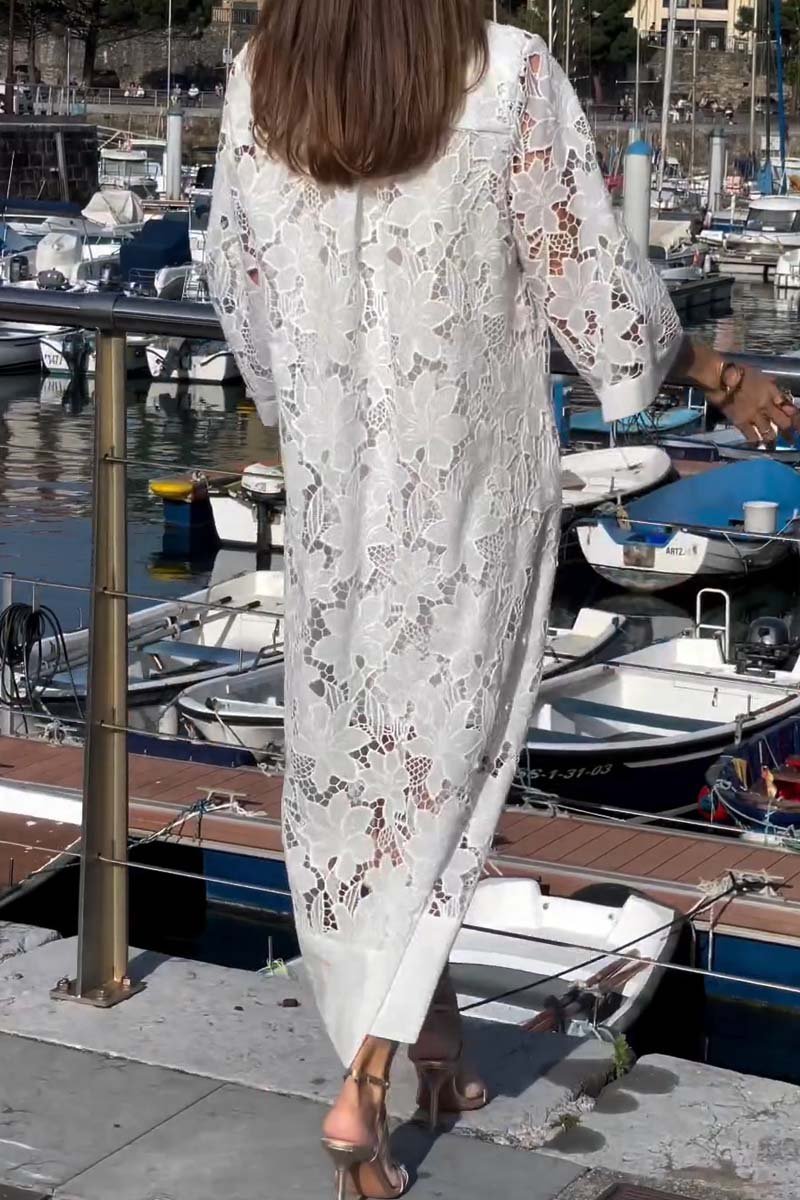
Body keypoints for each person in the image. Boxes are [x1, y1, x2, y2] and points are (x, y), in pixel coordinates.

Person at [207, 4, 800, 1196]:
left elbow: (237, 281)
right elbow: (591, 282)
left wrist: (302, 400)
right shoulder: (503, 70)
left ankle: (435, 1046)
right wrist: (714, 370)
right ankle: (365, 1080)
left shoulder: (263, 76)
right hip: (469, 497)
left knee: (355, 775)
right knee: (450, 774)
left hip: (334, 502)